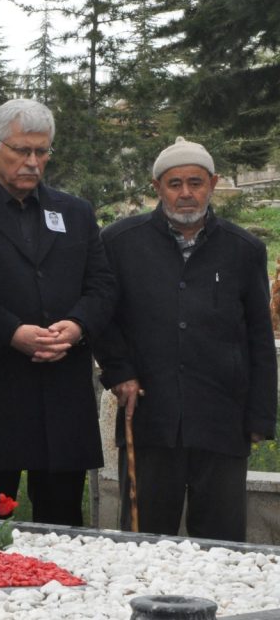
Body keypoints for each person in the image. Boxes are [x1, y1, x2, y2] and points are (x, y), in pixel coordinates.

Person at [95, 137, 277, 541]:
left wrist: (261, 417)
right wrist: (119, 372)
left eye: (195, 182)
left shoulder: (244, 249)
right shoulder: (120, 243)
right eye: (174, 184)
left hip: (222, 419)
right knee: (144, 539)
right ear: (157, 187)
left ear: (213, 183)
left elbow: (259, 339)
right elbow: (104, 319)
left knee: (221, 543)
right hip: (150, 415)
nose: (186, 193)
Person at [0, 98, 115, 527]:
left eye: (42, 152)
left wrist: (76, 325)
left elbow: (102, 286)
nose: (33, 162)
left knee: (62, 526)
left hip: (61, 392)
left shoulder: (75, 212)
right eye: (22, 151)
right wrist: (10, 331)